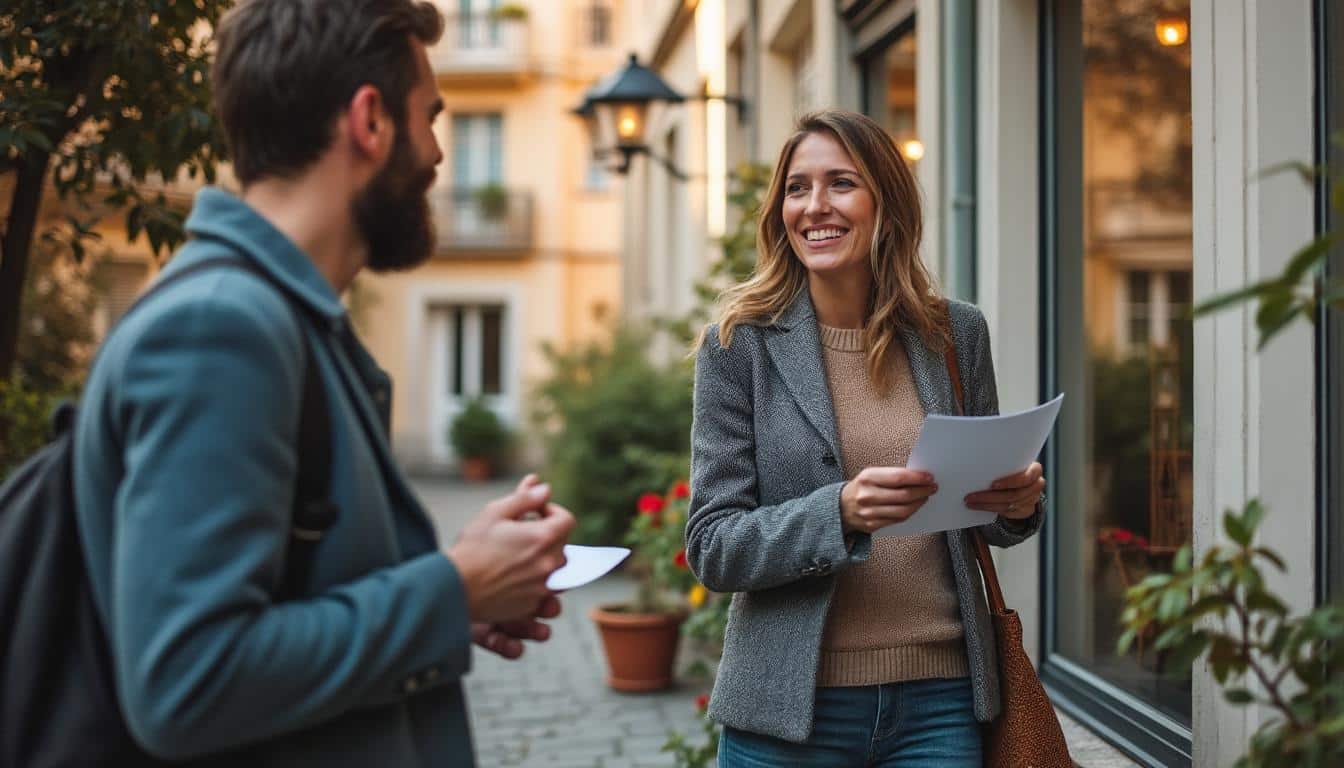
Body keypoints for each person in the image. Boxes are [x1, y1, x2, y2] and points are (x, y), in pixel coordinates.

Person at [71, 1, 573, 765]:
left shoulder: (282, 318)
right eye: (431, 117)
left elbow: (287, 605)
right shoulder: (220, 329)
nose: (440, 154)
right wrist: (448, 590)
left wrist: (459, 591)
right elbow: (187, 681)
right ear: (370, 121)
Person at [686, 110, 1047, 767]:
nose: (815, 206)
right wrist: (838, 513)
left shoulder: (954, 334)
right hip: (788, 714)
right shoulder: (739, 345)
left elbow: (983, 522)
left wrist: (1016, 504)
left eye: (840, 183)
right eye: (797, 188)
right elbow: (713, 546)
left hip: (941, 704)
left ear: (887, 200)